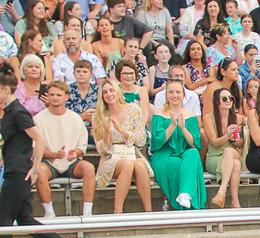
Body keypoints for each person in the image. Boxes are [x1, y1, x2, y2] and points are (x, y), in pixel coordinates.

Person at [0, 63, 57, 238]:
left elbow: (38, 138)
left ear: (5, 89)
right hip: (14, 168)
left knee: (3, 220)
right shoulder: (9, 112)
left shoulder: (17, 112)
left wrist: (35, 167)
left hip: (19, 171)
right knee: (24, 219)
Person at [34, 79, 95, 216]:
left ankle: (87, 212)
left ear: (66, 97)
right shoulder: (38, 119)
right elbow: (36, 148)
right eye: (52, 95)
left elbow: (82, 146)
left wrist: (75, 152)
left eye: (58, 95)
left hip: (72, 162)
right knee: (39, 171)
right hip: (49, 163)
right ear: (47, 96)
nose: (55, 98)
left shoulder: (75, 118)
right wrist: (53, 154)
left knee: (89, 168)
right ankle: (49, 213)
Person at [93, 79, 153, 213]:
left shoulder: (134, 109)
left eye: (111, 90)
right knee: (127, 164)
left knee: (139, 165)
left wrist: (122, 131)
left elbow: (141, 140)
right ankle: (118, 212)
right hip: (110, 157)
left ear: (118, 91)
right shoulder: (99, 116)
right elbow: (101, 150)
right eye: (105, 92)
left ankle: (148, 211)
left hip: (132, 152)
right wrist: (107, 132)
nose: (109, 94)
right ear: (101, 96)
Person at [150, 79, 206, 209]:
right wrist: (172, 126)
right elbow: (157, 142)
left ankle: (185, 193)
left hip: (184, 151)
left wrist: (182, 128)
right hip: (164, 154)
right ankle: (180, 206)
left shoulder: (190, 115)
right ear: (166, 95)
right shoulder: (158, 113)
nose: (175, 95)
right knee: (176, 165)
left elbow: (194, 143)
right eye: (171, 92)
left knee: (193, 154)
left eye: (178, 92)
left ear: (183, 95)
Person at [204, 85, 246, 207]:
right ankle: (235, 202)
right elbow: (214, 142)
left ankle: (221, 192)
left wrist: (234, 138)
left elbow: (240, 143)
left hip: (233, 153)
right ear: (217, 102)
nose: (228, 101)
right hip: (215, 156)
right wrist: (227, 136)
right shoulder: (209, 118)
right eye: (224, 99)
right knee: (236, 165)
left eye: (230, 98)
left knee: (229, 151)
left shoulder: (238, 118)